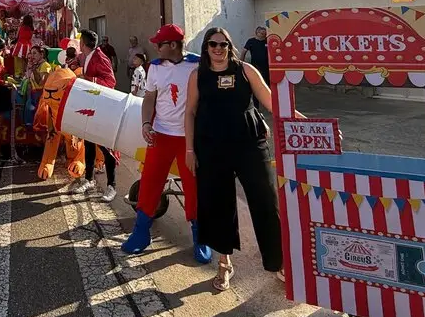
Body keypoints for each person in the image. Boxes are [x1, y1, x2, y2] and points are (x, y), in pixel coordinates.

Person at [186, 27, 322, 290]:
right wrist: (189, 150)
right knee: (218, 205)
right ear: (206, 47)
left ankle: (277, 262)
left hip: (249, 143)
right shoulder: (197, 75)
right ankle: (224, 263)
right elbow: (189, 112)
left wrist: (308, 123)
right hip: (211, 147)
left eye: (223, 44)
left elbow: (273, 103)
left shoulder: (246, 71)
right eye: (213, 44)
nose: (218, 49)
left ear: (230, 46)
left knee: (265, 202)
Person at [121, 24, 209, 263]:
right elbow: (149, 98)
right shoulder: (154, 68)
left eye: (159, 44)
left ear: (172, 45)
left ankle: (200, 237)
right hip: (161, 135)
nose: (155, 47)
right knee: (150, 182)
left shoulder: (198, 64)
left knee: (193, 186)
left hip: (189, 137)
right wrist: (145, 124)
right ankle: (141, 233)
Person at [71, 30, 119, 202]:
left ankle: (112, 186)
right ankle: (89, 179)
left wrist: (87, 78)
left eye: (80, 42)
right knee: (89, 144)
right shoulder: (88, 56)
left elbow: (110, 81)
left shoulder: (100, 57)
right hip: (91, 106)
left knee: (106, 148)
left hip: (103, 108)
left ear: (83, 43)